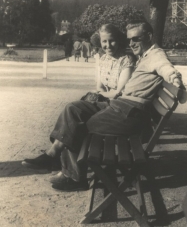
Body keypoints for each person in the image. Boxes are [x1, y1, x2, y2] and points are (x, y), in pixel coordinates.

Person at [22, 24, 135, 189]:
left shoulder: (127, 60)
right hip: (104, 102)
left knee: (73, 111)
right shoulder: (103, 59)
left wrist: (99, 96)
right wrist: (97, 94)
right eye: (104, 41)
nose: (108, 46)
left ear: (118, 41)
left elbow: (119, 92)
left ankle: (60, 161)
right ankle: (69, 171)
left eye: (112, 41)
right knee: (73, 118)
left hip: (116, 107)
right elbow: (100, 87)